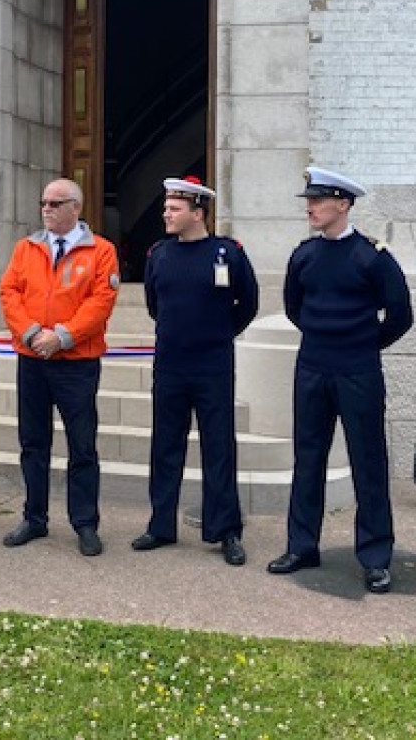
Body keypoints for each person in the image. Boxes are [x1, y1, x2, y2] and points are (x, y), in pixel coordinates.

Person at [266, 167, 414, 594]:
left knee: (368, 462)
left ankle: (374, 556)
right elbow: (295, 307)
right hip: (312, 366)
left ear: (344, 204)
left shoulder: (373, 256)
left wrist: (365, 344)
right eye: (308, 200)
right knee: (308, 457)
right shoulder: (305, 255)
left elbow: (400, 315)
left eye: (319, 200)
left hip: (358, 371)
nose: (310, 207)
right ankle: (302, 545)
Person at [133, 176, 259, 564]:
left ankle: (226, 531)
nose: (166, 214)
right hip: (171, 365)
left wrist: (219, 334)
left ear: (197, 213)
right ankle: (160, 526)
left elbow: (248, 303)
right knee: (165, 447)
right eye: (166, 208)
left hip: (213, 367)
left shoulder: (229, 252)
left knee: (219, 447)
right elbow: (155, 306)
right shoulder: (158, 254)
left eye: (174, 209)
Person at [0, 177, 120, 557]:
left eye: (55, 203)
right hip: (32, 359)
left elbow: (100, 302)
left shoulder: (101, 251)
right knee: (33, 443)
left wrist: (63, 336)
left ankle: (84, 523)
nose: (47, 209)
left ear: (75, 208)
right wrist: (34, 333)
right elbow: (9, 293)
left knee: (82, 445)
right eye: (44, 203)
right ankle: (34, 518)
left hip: (76, 363)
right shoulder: (26, 249)